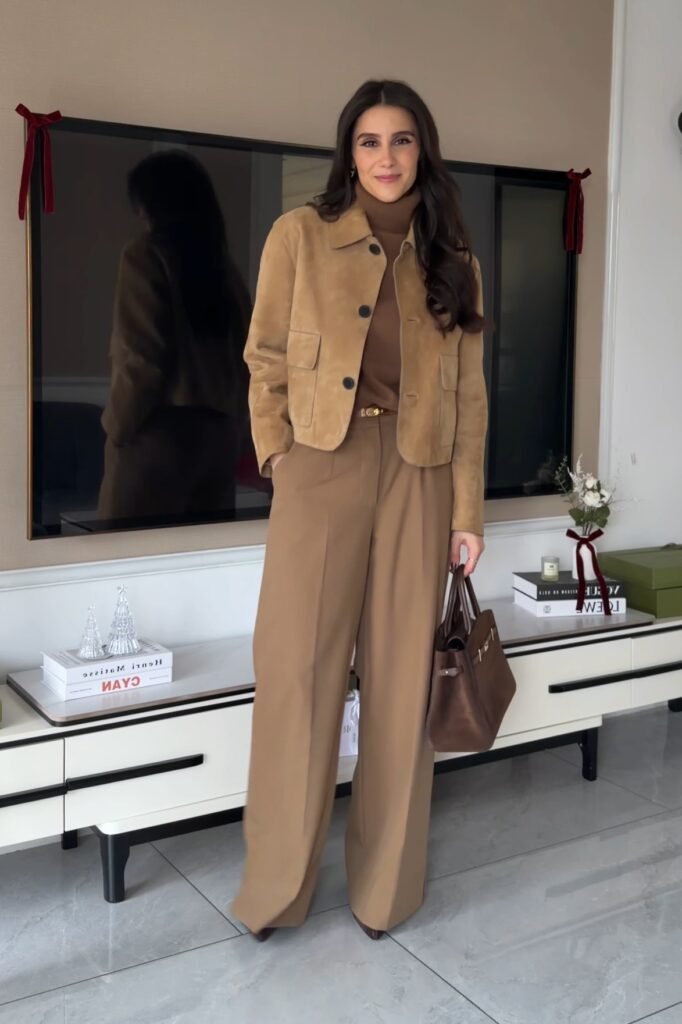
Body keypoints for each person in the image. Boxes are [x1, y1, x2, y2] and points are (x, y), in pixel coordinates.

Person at [232, 79, 488, 942]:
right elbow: (264, 354)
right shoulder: (299, 235)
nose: (385, 158)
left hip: (418, 476)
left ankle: (385, 894)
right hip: (322, 467)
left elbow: (470, 399)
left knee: (400, 684)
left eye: (402, 141)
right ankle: (274, 891)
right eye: (370, 141)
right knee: (297, 676)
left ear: (424, 150)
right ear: (349, 151)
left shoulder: (454, 257)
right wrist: (278, 454)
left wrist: (467, 514)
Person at [98, 150, 251, 524]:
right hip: (219, 438)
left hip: (159, 435)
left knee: (125, 569)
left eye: (141, 205)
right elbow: (249, 355)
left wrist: (116, 429)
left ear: (153, 204)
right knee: (199, 568)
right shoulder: (223, 267)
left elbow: (142, 358)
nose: (139, 215)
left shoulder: (144, 255)